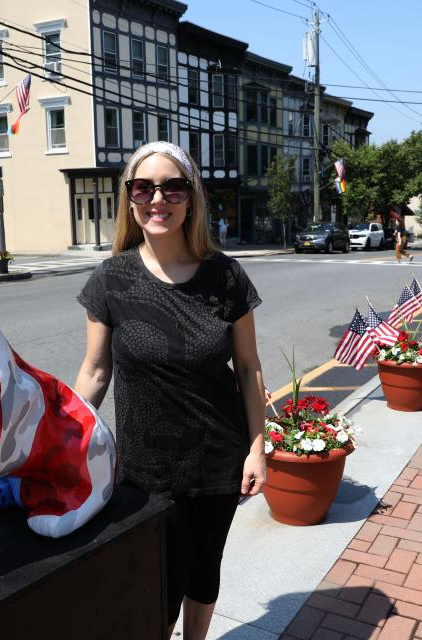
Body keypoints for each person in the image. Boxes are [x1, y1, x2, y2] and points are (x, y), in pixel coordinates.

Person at [74, 141, 267, 640]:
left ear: (191, 197)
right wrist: (66, 440)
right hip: (145, 471)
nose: (157, 199)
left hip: (218, 461)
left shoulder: (225, 276)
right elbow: (96, 372)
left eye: (172, 187)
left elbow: (247, 369)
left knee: (204, 574)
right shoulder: (111, 280)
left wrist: (257, 449)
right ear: (130, 199)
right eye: (143, 187)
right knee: (157, 587)